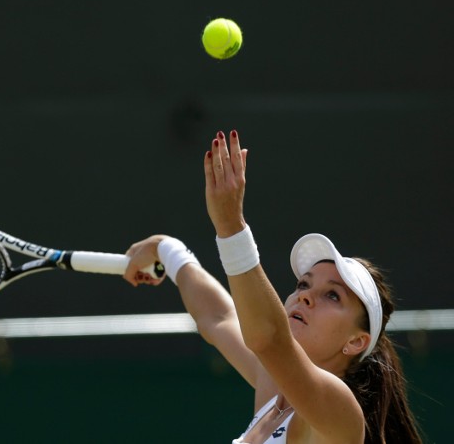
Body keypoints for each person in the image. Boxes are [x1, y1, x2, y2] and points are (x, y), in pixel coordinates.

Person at [124, 130, 422, 443]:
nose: (305, 296)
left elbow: (269, 338)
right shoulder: (273, 389)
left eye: (332, 295)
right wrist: (168, 250)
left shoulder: (340, 409)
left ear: (356, 342)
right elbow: (217, 318)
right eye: (304, 284)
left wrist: (230, 227)